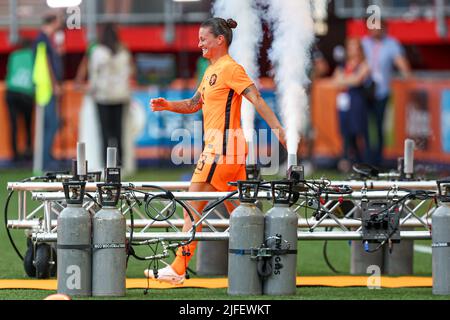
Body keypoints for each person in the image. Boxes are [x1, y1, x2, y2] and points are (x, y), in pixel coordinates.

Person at [146, 17, 286, 284]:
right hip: (224, 148)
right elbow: (193, 103)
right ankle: (269, 253)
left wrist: (279, 130)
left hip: (222, 148)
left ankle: (178, 268)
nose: (199, 43)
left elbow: (256, 98)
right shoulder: (211, 70)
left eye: (203, 39)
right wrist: (167, 105)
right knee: (241, 210)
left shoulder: (230, 69)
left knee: (193, 202)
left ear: (219, 40)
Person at [362, 20, 411, 167]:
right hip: (365, 90)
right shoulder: (364, 43)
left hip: (382, 91)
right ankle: (366, 157)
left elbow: (401, 62)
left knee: (378, 125)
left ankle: (378, 159)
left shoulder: (391, 44)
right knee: (364, 126)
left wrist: (408, 76)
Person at [89, 23, 133, 166]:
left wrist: (93, 90)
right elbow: (129, 72)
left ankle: (106, 164)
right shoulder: (123, 51)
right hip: (121, 96)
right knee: (119, 132)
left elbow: (94, 75)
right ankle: (121, 164)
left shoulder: (98, 51)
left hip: (103, 96)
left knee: (104, 133)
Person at [33, 11, 64, 171]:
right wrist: (54, 85)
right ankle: (45, 161)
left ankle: (47, 158)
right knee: (50, 124)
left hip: (46, 89)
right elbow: (45, 65)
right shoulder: (43, 40)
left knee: (49, 125)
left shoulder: (44, 40)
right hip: (46, 90)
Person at [334, 38, 372, 172]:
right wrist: (348, 80)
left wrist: (344, 79)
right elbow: (336, 80)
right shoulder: (343, 64)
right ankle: (348, 160)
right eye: (349, 47)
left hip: (357, 101)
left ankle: (363, 161)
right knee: (346, 132)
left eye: (354, 47)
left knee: (359, 131)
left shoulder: (364, 63)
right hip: (344, 102)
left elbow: (357, 80)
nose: (351, 50)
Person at [5, 38, 35, 163]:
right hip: (26, 93)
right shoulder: (33, 55)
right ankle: (28, 151)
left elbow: (9, 72)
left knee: (13, 125)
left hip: (11, 91)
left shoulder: (14, 55)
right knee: (28, 124)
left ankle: (15, 154)